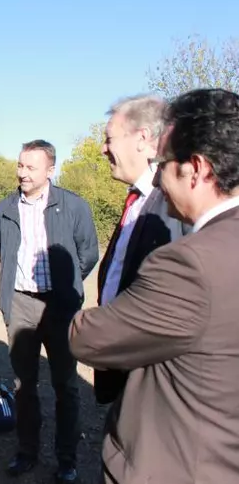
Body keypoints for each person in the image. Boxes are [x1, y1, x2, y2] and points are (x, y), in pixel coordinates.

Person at [69, 88, 239, 484]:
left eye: (164, 163)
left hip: (177, 457)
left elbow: (88, 337)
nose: (159, 177)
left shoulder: (191, 261)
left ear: (195, 169)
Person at [0, 140, 98, 484]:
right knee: (25, 385)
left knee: (66, 384)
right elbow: (3, 250)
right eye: (20, 165)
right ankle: (27, 452)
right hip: (21, 302)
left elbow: (88, 253)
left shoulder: (73, 206)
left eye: (30, 167)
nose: (22, 173)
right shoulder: (4, 208)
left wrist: (67, 287)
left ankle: (67, 459)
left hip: (60, 305)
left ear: (50, 170)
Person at [95, 94, 185, 404]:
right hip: (124, 361)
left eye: (109, 139)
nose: (103, 148)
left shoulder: (172, 202)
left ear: (142, 138)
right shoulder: (137, 199)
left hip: (152, 374)